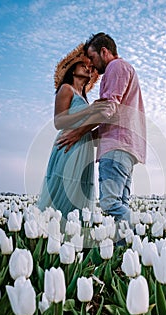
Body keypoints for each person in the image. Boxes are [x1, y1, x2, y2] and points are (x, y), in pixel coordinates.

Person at [57, 33, 146, 227]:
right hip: (126, 147)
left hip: (116, 146)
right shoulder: (126, 69)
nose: (92, 65)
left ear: (104, 51)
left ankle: (138, 235)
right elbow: (112, 115)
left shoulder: (116, 67)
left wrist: (79, 132)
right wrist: (89, 134)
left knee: (110, 203)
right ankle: (126, 249)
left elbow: (107, 110)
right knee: (120, 203)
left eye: (93, 58)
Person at [37, 43, 100, 229]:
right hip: (68, 146)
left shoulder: (84, 98)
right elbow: (59, 122)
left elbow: (87, 128)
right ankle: (54, 236)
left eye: (89, 67)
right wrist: (90, 112)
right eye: (83, 65)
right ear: (72, 70)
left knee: (80, 193)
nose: (87, 68)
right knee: (65, 191)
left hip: (84, 149)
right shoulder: (66, 89)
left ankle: (73, 239)